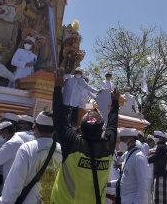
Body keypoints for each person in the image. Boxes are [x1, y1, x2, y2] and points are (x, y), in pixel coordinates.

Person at [51, 70, 120, 204]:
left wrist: (58, 87)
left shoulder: (73, 142)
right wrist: (115, 102)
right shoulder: (108, 146)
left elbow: (59, 116)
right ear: (102, 130)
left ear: (79, 128)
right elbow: (113, 124)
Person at [0, 111, 62, 204]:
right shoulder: (61, 150)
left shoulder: (27, 148)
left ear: (35, 127)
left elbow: (14, 184)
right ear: (55, 129)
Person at [108, 127, 150, 204]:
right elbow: (125, 179)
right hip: (125, 200)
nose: (121, 142)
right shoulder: (128, 155)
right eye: (120, 140)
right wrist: (109, 184)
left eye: (123, 139)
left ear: (132, 139)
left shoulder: (138, 157)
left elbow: (143, 186)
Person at [0, 115, 36, 181]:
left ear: (27, 125)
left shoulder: (16, 137)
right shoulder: (35, 137)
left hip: (11, 179)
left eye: (20, 123)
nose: (17, 125)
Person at [149, 130, 167, 204]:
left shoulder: (160, 146)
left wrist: (145, 160)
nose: (155, 138)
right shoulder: (165, 147)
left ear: (161, 138)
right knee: (164, 199)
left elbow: (155, 157)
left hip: (160, 176)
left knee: (159, 199)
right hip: (165, 175)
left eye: (156, 137)